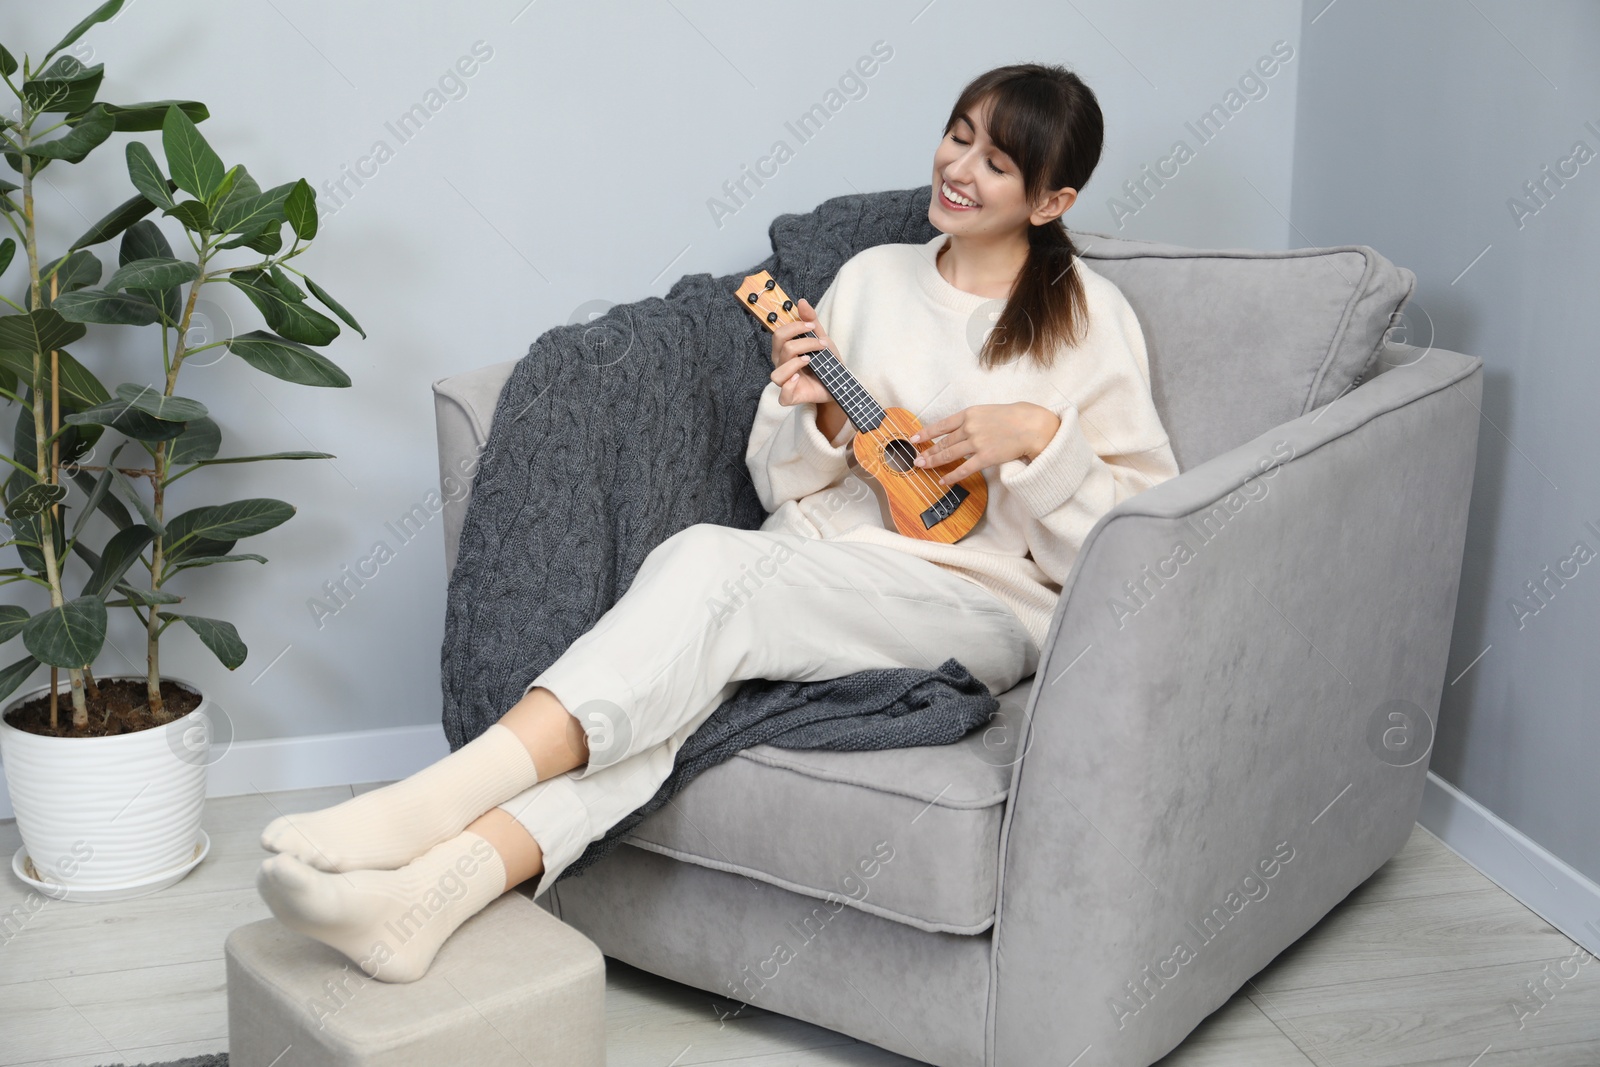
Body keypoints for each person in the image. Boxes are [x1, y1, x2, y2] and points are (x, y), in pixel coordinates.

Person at [255, 61, 1180, 984]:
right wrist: (812, 415)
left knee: (701, 561)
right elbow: (788, 488)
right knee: (674, 710)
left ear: (1051, 200)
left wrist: (1040, 436)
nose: (959, 166)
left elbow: (1138, 538)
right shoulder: (871, 278)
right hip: (818, 564)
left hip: (977, 601)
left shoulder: (1089, 321)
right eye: (959, 133)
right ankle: (424, 903)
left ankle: (424, 803)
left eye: (999, 162)